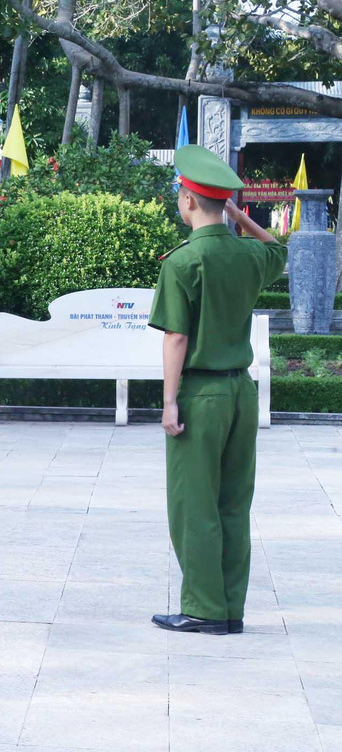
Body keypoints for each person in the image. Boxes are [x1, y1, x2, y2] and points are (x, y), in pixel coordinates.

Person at [148, 145, 287, 635]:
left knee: (193, 504)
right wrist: (236, 213)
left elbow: (177, 338)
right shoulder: (247, 255)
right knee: (233, 503)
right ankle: (230, 610)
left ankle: (203, 608)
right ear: (221, 204)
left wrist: (168, 402)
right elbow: (278, 249)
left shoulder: (183, 262)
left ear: (188, 201)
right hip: (241, 396)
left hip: (201, 396)